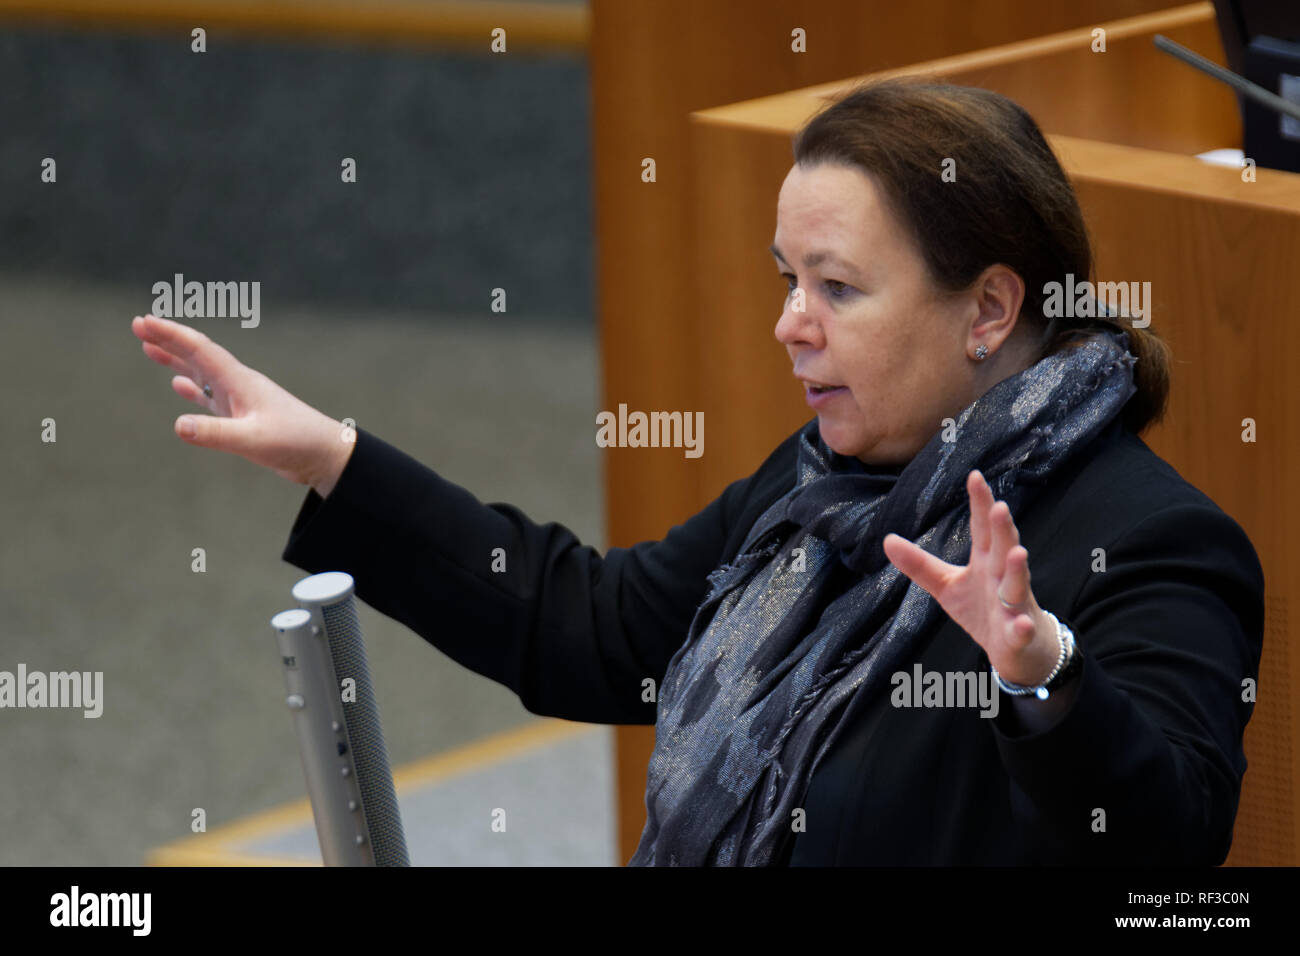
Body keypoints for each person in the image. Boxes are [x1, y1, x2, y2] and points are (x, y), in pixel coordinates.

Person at [131, 78, 1265, 866]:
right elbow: (595, 628)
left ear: (988, 308)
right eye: (785, 279)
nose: (789, 326)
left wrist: (1039, 674)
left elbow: (1166, 851)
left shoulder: (1153, 538)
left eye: (835, 287)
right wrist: (332, 455)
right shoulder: (825, 483)